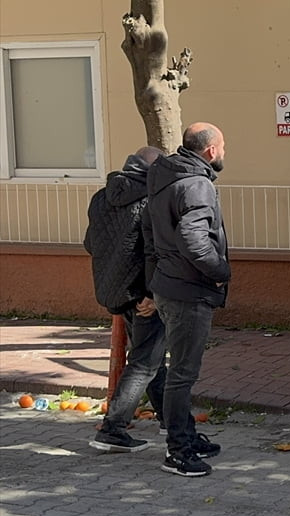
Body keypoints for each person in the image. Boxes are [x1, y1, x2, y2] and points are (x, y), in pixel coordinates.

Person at [145, 122, 230, 477]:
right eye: (224, 146)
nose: (225, 152)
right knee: (183, 374)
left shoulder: (164, 177)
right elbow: (193, 238)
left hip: (169, 284)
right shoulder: (197, 185)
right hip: (187, 290)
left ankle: (187, 436)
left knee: (178, 371)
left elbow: (150, 234)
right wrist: (219, 270)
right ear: (210, 150)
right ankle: (178, 451)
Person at [84, 145, 168, 453]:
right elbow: (153, 251)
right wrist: (152, 293)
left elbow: (91, 244)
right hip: (144, 294)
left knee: (150, 357)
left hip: (118, 292)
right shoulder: (151, 200)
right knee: (145, 361)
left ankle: (170, 418)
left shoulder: (101, 198)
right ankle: (113, 428)